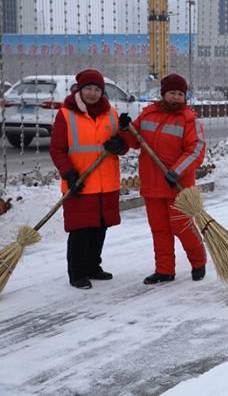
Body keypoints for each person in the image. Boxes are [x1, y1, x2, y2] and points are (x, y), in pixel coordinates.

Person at [119, 74, 207, 285]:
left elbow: (195, 151)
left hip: (177, 185)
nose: (176, 97)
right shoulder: (148, 114)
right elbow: (135, 141)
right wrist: (125, 130)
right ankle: (164, 270)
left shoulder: (189, 119)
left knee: (182, 226)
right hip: (152, 183)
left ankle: (198, 262)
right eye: (172, 93)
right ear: (163, 93)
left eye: (180, 94)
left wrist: (177, 171)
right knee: (159, 229)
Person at [49, 69, 127, 289]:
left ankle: (93, 266)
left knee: (100, 227)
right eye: (88, 88)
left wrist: (120, 144)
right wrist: (69, 173)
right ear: (79, 90)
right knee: (80, 230)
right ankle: (77, 272)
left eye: (97, 89)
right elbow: (56, 149)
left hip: (106, 182)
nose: (92, 93)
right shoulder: (66, 114)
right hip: (80, 183)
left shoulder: (110, 113)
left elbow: (122, 144)